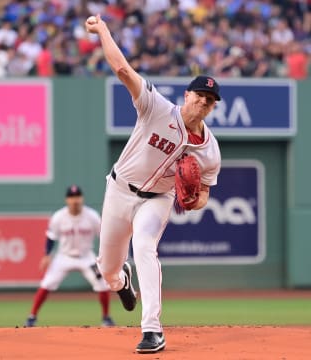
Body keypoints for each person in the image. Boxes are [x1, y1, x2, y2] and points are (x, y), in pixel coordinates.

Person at [85, 15, 221, 354]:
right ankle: (121, 283)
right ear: (187, 95)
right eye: (200, 95)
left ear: (213, 107)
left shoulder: (210, 151)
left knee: (144, 245)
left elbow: (203, 194)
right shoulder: (157, 108)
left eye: (210, 100)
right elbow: (122, 70)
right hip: (119, 189)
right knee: (107, 270)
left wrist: (192, 202)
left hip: (158, 198)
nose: (203, 102)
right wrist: (103, 29)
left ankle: (152, 330)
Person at [24, 185, 115, 328]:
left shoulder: (92, 216)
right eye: (72, 197)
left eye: (77, 197)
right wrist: (47, 255)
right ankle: (32, 316)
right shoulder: (59, 217)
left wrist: (106, 256)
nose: (75, 200)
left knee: (103, 284)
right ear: (67, 200)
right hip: (63, 257)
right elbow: (51, 237)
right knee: (46, 284)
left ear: (82, 198)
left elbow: (103, 236)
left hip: (86, 257)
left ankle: (106, 317)